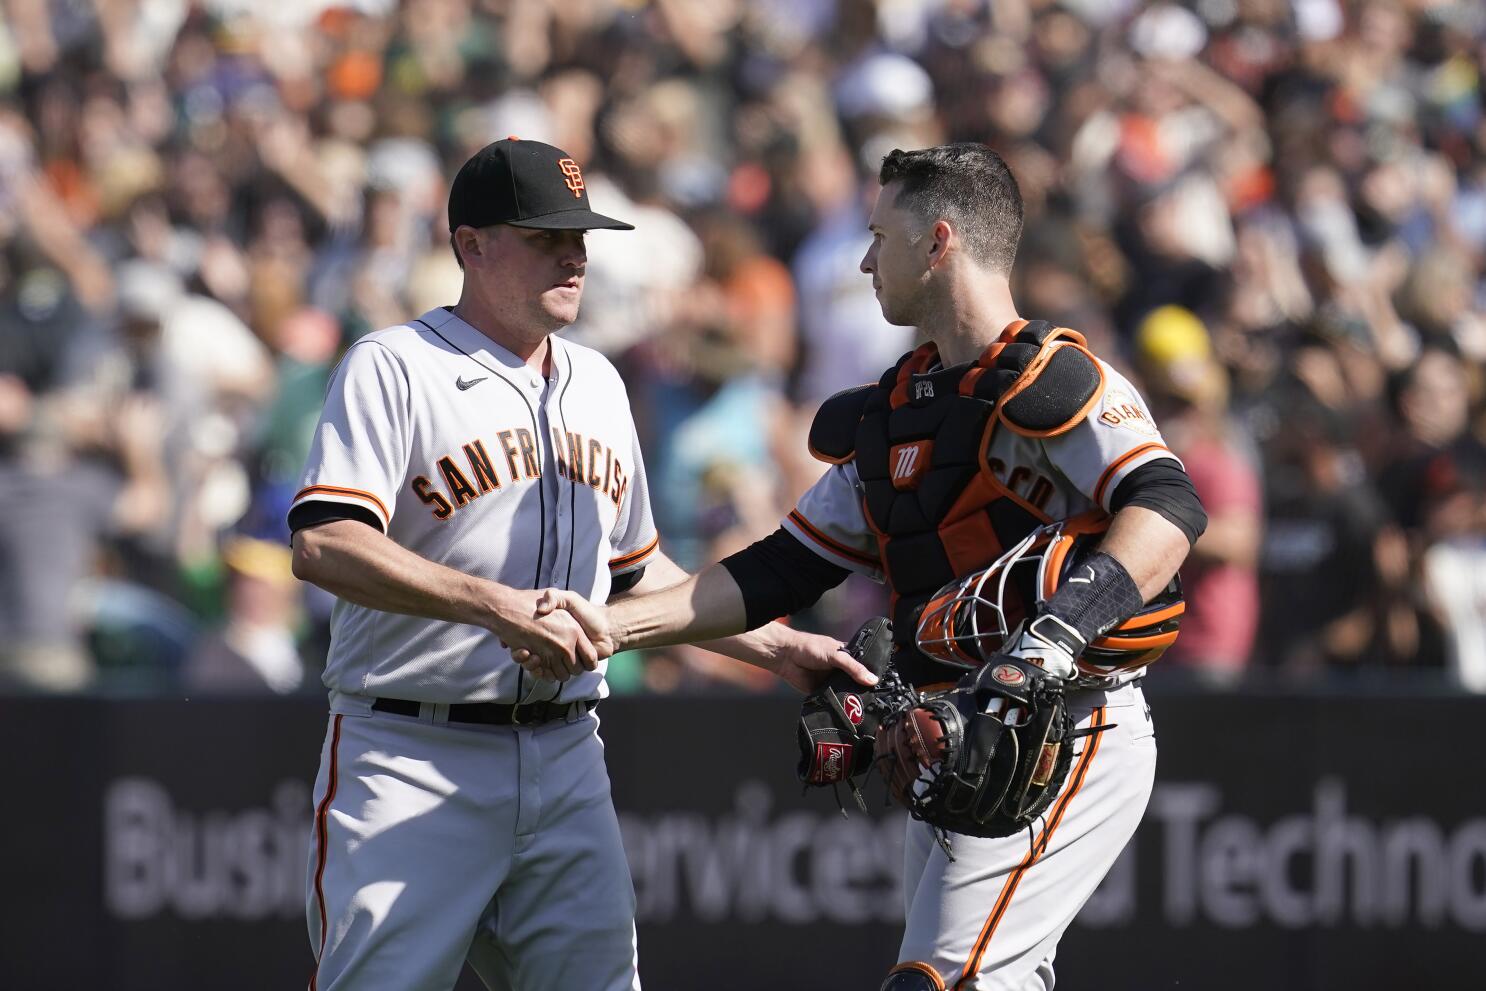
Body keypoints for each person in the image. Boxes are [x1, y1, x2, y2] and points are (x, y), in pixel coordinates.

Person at [537, 144, 1207, 990]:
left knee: (937, 980)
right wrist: (613, 626)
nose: (862, 258)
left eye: (878, 235)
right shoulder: (896, 413)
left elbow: (1170, 506)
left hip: (1068, 723)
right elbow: (776, 571)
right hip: (949, 735)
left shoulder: (1057, 378)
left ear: (937, 241)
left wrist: (1054, 637)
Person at [287, 138, 874, 991]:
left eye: (582, 236)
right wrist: (495, 606)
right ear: (471, 244)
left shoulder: (598, 381)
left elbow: (635, 576)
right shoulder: (395, 366)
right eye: (545, 235)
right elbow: (324, 541)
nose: (574, 254)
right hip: (412, 747)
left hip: (567, 752)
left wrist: (778, 647)